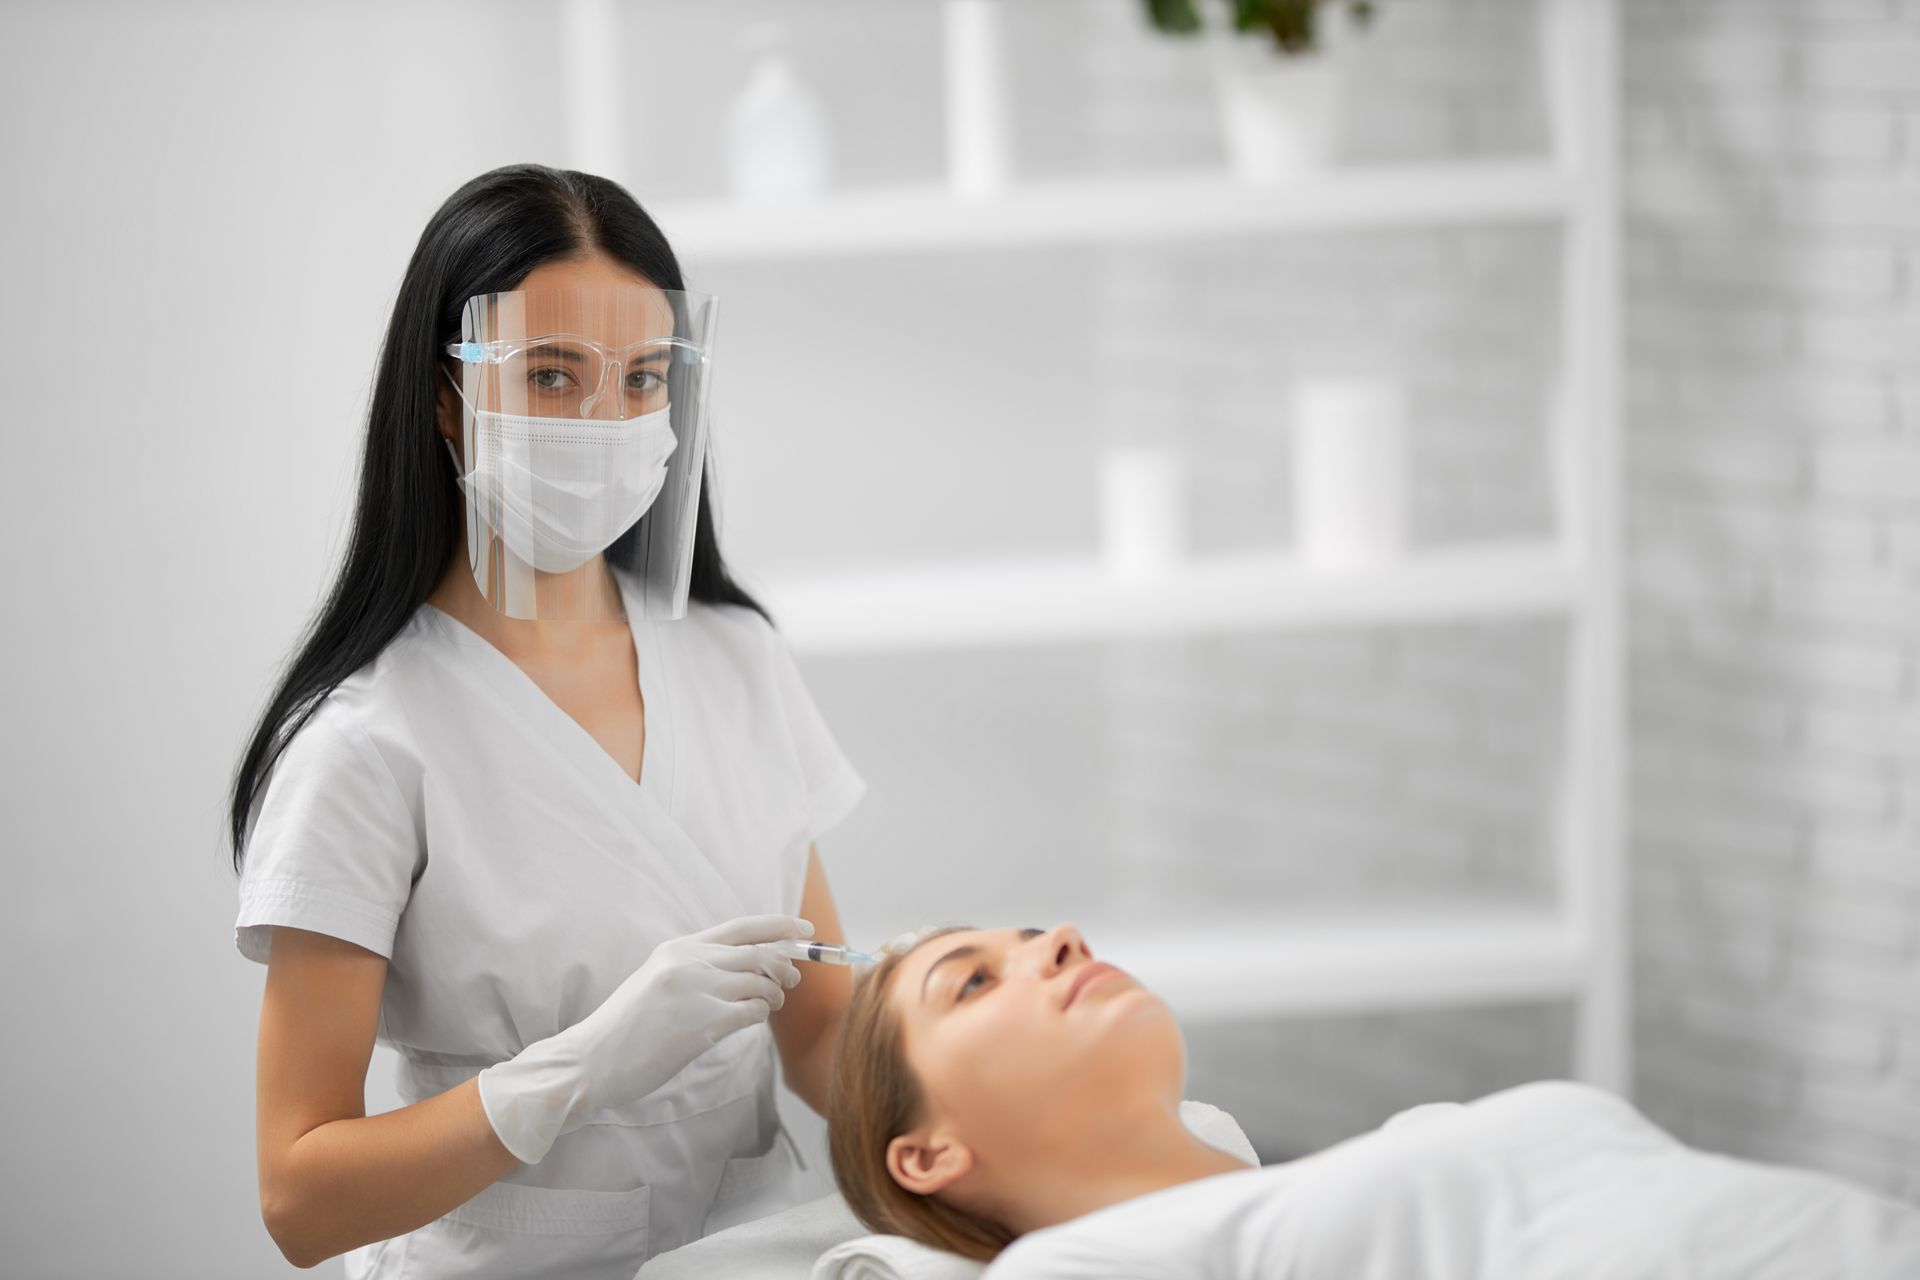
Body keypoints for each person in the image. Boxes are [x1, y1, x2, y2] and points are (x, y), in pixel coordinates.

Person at [229, 164, 866, 1278]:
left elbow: (818, 1023)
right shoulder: (369, 741)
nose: (603, 421)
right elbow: (300, 1194)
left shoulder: (733, 655)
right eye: (553, 375)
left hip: (750, 1248)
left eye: (640, 380)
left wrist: (971, 1067)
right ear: (445, 396)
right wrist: (581, 1067)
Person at [828, 925, 1920, 1279]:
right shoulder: (1073, 1268)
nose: (1055, 938)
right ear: (925, 1153)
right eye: (971, 981)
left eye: (1031, 933)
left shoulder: (1405, 1139)